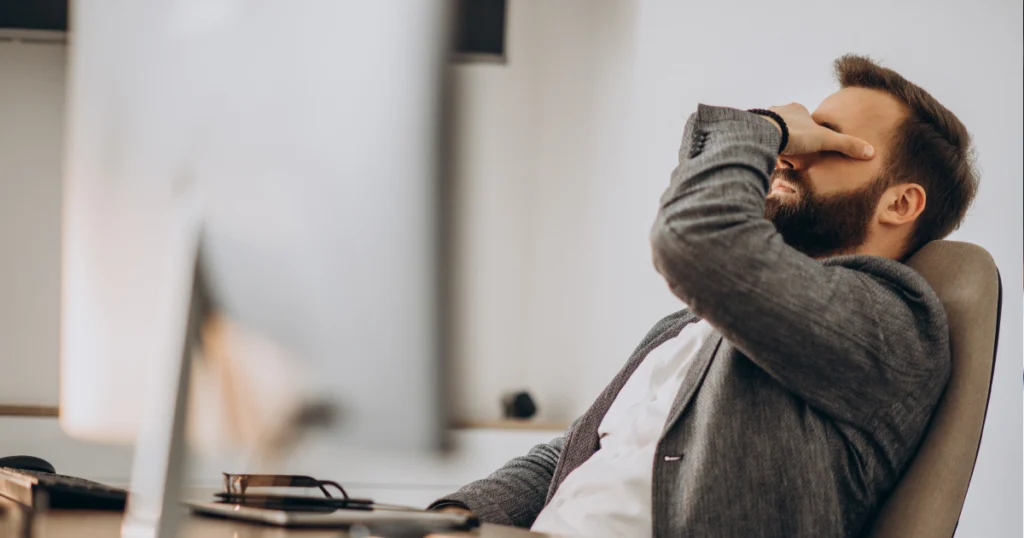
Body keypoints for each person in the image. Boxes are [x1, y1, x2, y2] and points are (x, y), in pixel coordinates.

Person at [429, 54, 978, 538]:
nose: (789, 154)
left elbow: (696, 237)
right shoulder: (687, 328)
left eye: (828, 139)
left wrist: (762, 128)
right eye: (799, 133)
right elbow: (569, 458)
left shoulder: (891, 323)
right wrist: (451, 520)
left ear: (901, 204)